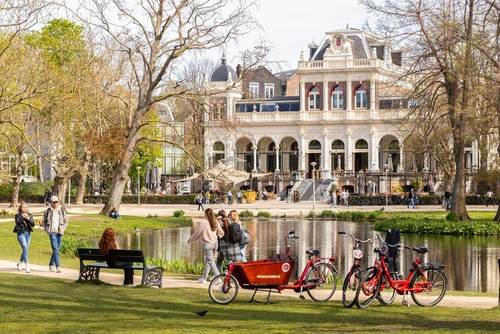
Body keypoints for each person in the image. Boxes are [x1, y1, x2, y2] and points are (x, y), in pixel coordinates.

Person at [188, 208, 224, 283]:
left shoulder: (203, 223)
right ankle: (204, 278)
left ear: (206, 214)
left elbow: (197, 234)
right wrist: (216, 237)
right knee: (208, 260)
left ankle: (218, 277)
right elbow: (221, 233)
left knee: (210, 261)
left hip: (208, 245)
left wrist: (190, 239)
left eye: (204, 213)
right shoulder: (215, 222)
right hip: (215, 243)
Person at [42, 196, 68, 273]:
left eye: (56, 202)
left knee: (56, 249)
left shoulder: (62, 210)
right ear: (51, 202)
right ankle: (58, 266)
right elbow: (44, 221)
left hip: (60, 232)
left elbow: (66, 220)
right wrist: (47, 229)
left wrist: (64, 228)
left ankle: (51, 264)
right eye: (54, 202)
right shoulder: (48, 211)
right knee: (55, 249)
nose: (55, 203)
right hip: (52, 232)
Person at [14, 202, 35, 273]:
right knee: (25, 248)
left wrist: (28, 218)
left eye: (26, 207)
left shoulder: (29, 215)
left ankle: (20, 262)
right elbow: (18, 223)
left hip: (28, 233)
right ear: (20, 208)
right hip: (21, 233)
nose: (25, 208)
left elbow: (33, 224)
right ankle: (27, 265)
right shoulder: (18, 215)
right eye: (23, 207)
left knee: (26, 250)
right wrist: (23, 217)